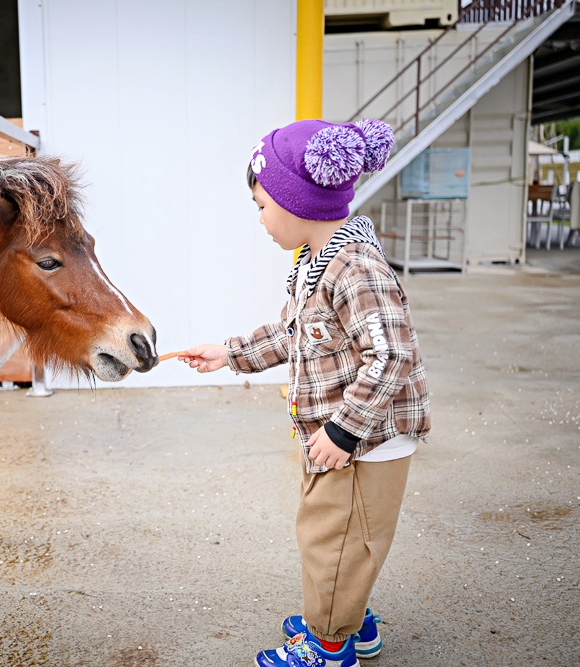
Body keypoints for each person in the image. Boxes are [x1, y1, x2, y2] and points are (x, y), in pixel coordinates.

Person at [179, 118, 430, 667]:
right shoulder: (318, 263)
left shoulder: (356, 269)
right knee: (341, 537)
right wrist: (229, 353)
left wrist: (343, 431)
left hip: (362, 441)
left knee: (333, 539)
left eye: (261, 206)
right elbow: (294, 334)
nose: (260, 219)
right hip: (341, 436)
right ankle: (352, 622)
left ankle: (330, 644)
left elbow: (392, 354)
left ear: (298, 203)